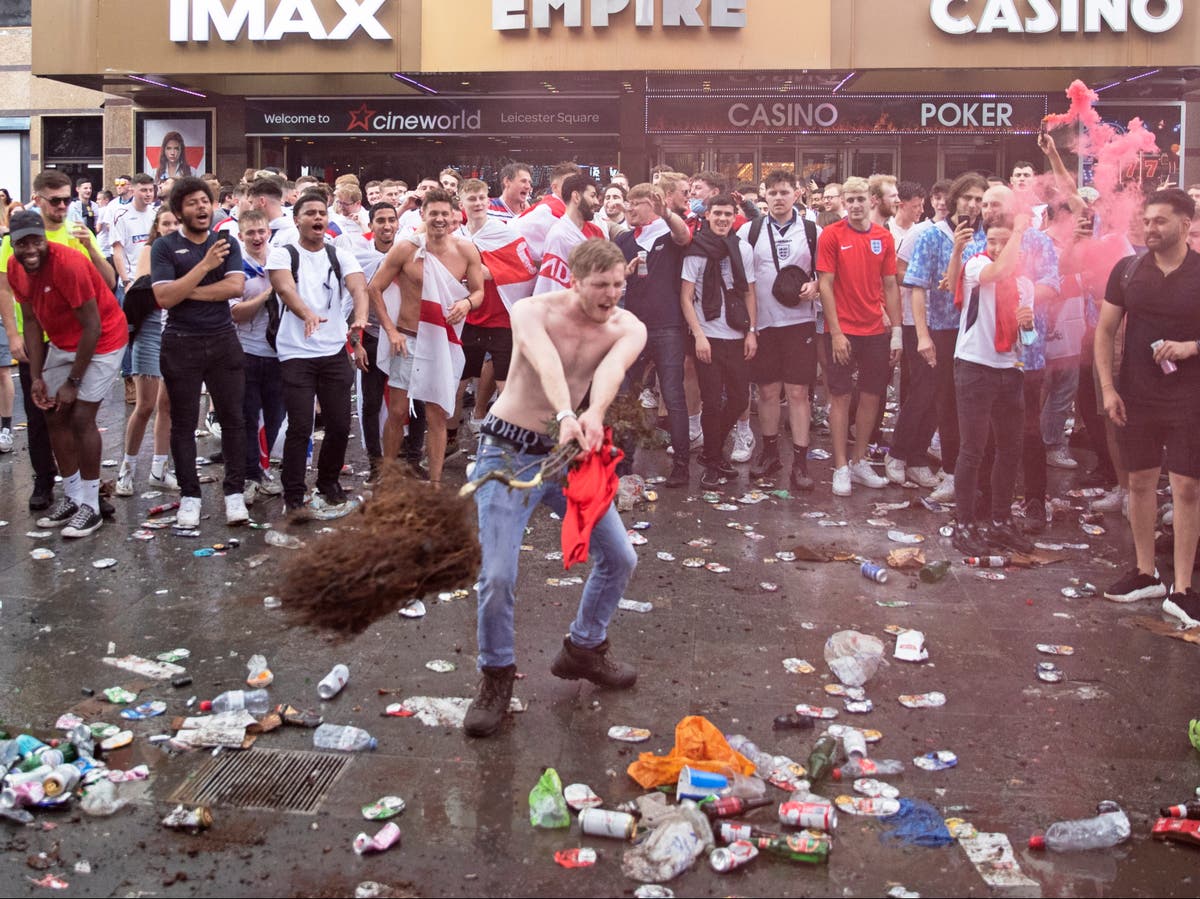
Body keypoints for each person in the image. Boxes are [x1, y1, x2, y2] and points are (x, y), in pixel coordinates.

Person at [463, 239, 647, 738]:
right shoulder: (530, 310)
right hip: (507, 452)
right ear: (574, 281)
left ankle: (584, 649)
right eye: (601, 286)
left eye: (618, 285)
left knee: (620, 557)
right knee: (498, 576)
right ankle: (496, 676)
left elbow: (611, 369)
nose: (611, 295)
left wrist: (593, 414)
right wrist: (566, 412)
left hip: (568, 456)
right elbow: (544, 361)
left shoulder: (628, 325)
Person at [1095, 189, 1200, 625]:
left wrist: (1191, 346)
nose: (1151, 228)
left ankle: (1184, 587)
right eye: (1147, 221)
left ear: (1186, 223)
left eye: (1161, 221)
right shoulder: (1128, 269)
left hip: (1189, 396)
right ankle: (1144, 573)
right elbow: (1104, 332)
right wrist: (1107, 389)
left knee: (1187, 488)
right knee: (1139, 483)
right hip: (1135, 394)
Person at [0, 170, 115, 512]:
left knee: (80, 416)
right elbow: (5, 288)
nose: (63, 206)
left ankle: (86, 495)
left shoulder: (77, 232)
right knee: (41, 415)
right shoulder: (19, 238)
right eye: (55, 200)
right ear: (38, 200)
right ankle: (44, 482)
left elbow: (109, 282)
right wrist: (13, 334)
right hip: (37, 337)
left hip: (77, 340)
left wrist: (90, 249)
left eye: (67, 199)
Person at [151, 177, 249, 529]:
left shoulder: (227, 242)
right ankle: (189, 496)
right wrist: (205, 268)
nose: (202, 208)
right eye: (192, 202)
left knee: (234, 419)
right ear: (179, 211)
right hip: (180, 341)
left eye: (205, 201)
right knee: (183, 422)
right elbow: (163, 298)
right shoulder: (164, 247)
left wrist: (186, 288)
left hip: (223, 338)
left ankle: (234, 493)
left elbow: (236, 287)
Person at [368, 188, 483, 486]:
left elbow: (480, 291)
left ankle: (434, 484)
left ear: (456, 216)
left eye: (445, 213)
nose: (440, 219)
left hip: (441, 341)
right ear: (423, 215)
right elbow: (374, 288)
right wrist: (391, 331)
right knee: (396, 411)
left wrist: (466, 303)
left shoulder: (466, 251)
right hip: (407, 337)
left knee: (436, 413)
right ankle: (388, 478)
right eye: (434, 213)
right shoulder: (407, 248)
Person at [267, 191, 370, 516]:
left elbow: (357, 287)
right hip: (296, 352)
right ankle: (294, 496)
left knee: (340, 425)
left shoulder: (339, 255)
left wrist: (361, 318)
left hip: (333, 351)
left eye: (322, 213)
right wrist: (306, 314)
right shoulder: (283, 253)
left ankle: (328, 484)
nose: (317, 218)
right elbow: (284, 287)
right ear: (297, 219)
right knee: (301, 425)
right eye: (310, 213)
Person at [892, 173, 988, 499]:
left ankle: (975, 473)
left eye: (979, 199)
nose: (973, 205)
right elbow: (917, 286)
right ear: (954, 200)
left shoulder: (989, 236)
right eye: (967, 198)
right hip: (942, 328)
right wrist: (922, 336)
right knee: (945, 401)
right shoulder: (931, 236)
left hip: (979, 329)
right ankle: (950, 471)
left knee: (975, 403)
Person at [949, 216, 1036, 556]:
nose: (998, 247)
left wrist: (1028, 326)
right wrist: (1019, 229)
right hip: (974, 366)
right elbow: (995, 273)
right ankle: (964, 524)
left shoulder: (1025, 284)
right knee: (973, 449)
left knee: (1010, 449)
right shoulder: (976, 265)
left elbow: (1027, 338)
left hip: (1009, 369)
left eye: (1005, 241)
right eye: (993, 240)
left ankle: (1001, 522)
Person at [816, 177, 901, 497]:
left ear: (871, 201)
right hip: (843, 330)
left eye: (860, 199)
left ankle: (859, 460)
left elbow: (890, 285)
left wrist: (897, 333)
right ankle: (840, 467)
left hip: (876, 330)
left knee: (871, 396)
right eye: (849, 200)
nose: (854, 205)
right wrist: (836, 332)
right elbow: (825, 285)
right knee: (840, 397)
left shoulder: (883, 237)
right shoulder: (831, 234)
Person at [739, 170, 821, 491]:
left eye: (784, 192)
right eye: (772, 193)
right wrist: (749, 326)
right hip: (764, 323)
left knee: (799, 393)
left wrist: (816, 284)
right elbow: (741, 277)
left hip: (800, 322)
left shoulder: (814, 231)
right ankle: (770, 452)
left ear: (797, 194)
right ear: (765, 196)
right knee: (768, 392)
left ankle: (800, 462)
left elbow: (828, 274)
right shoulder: (750, 230)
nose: (778, 198)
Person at [615, 182, 692, 486]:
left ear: (652, 205)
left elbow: (684, 236)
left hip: (668, 327)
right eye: (628, 203)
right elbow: (612, 278)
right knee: (627, 396)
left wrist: (667, 213)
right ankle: (624, 463)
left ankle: (682, 465)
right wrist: (624, 275)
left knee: (673, 395)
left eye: (636, 203)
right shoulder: (623, 239)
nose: (630, 209)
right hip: (633, 327)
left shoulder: (666, 232)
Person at [681, 194, 757, 489]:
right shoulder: (696, 250)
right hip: (708, 336)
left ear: (734, 215)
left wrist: (753, 331)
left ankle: (712, 453)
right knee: (711, 402)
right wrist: (698, 335)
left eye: (728, 214)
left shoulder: (742, 249)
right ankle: (712, 462)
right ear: (708, 216)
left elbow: (749, 292)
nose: (723, 219)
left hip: (738, 334)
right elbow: (685, 297)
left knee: (739, 398)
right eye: (718, 214)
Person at [455, 179, 537, 433]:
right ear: (462, 204)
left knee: (506, 386)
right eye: (472, 199)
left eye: (482, 198)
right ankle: (450, 439)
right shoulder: (456, 234)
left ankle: (509, 444)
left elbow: (527, 269)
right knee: (456, 385)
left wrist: (489, 271)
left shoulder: (504, 231)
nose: (479, 203)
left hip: (501, 319)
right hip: (469, 318)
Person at [116, 204, 179, 497]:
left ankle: (158, 469)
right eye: (166, 223)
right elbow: (144, 287)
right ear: (157, 227)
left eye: (176, 223)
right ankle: (126, 470)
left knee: (167, 406)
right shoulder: (150, 250)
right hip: (152, 330)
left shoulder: (188, 250)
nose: (171, 228)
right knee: (144, 406)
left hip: (176, 331)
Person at [337, 201, 400, 477]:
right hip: (372, 338)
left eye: (391, 220)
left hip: (404, 338)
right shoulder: (359, 259)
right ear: (371, 225)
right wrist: (356, 344)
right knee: (371, 403)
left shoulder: (411, 254)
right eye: (381, 220)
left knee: (414, 403)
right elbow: (350, 305)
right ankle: (376, 463)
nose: (387, 225)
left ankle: (407, 460)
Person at [228, 208, 286, 505]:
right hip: (247, 351)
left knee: (275, 415)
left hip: (279, 352)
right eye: (250, 233)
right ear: (241, 236)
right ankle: (250, 474)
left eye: (261, 231)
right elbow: (235, 313)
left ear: (269, 232)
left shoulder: (280, 259)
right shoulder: (236, 266)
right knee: (248, 416)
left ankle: (262, 468)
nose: (257, 237)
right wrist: (267, 295)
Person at [532, 174, 604, 295]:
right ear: (576, 196)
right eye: (592, 196)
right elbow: (552, 285)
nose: (597, 202)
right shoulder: (558, 235)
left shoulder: (597, 231)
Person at [111, 174, 157, 295]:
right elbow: (117, 251)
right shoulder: (121, 215)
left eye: (151, 190)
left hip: (152, 281)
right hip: (131, 282)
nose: (148, 194)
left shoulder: (156, 214)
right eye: (143, 190)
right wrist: (126, 282)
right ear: (133, 190)